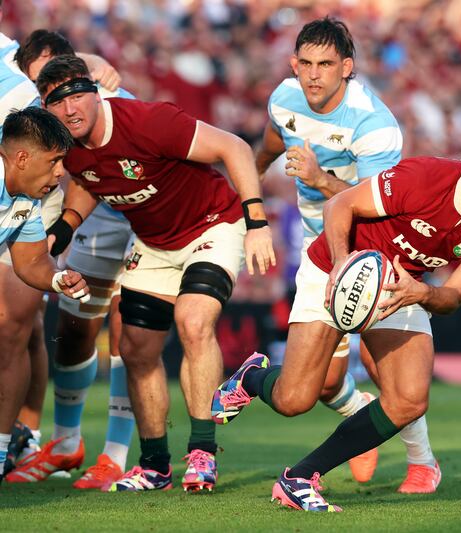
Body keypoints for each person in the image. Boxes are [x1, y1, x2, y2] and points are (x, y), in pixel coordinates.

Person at [214, 127, 461, 511]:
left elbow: (456, 295)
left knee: (409, 399)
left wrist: (422, 293)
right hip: (335, 268)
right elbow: (340, 205)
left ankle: (300, 477)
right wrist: (341, 262)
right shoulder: (425, 177)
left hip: (400, 287)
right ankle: (253, 377)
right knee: (293, 400)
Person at [36, 55, 275, 493]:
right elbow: (90, 179)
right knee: (135, 348)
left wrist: (256, 222)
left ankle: (202, 453)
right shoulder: (66, 146)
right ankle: (154, 467)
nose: (70, 108)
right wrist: (65, 227)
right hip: (153, 243)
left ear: (95, 93)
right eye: (57, 101)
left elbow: (235, 148)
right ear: (45, 108)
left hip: (212, 226)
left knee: (193, 321)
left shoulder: (148, 121)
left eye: (76, 95)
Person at [254, 16, 438, 492]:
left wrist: (319, 179)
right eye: (306, 64)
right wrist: (248, 187)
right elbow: (273, 139)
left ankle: (422, 463)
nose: (313, 75)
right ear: (294, 64)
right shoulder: (284, 98)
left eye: (325, 64)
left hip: (375, 252)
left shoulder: (374, 125)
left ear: (347, 67)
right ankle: (360, 414)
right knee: (321, 383)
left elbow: (377, 209)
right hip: (318, 252)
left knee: (385, 369)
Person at [5, 30, 138, 489]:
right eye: (37, 83)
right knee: (73, 332)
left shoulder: (112, 99)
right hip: (88, 221)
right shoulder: (34, 109)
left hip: (140, 218)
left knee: (129, 332)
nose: (44, 92)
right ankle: (64, 444)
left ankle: (115, 456)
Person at [0, 106, 89, 484]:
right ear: (21, 158)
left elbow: (31, 261)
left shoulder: (25, 198)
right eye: (54, 161)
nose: (60, 172)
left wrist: (57, 279)